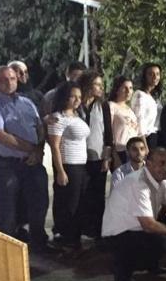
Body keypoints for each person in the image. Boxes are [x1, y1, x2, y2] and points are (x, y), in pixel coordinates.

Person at [0, 65, 52, 253]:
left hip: (33, 163)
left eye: (12, 78)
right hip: (8, 165)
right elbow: (0, 135)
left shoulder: (27, 102)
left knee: (39, 203)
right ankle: (7, 252)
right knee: (8, 210)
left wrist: (39, 150)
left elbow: (39, 127)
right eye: (3, 79)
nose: (9, 82)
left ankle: (39, 243)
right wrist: (32, 149)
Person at [102, 147, 166, 281]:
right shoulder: (139, 183)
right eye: (161, 163)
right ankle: (122, 272)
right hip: (118, 234)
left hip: (137, 228)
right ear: (149, 163)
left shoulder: (161, 180)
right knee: (163, 242)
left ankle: (152, 265)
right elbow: (148, 225)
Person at [47, 81, 90, 248]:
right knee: (68, 203)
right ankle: (65, 237)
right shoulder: (58, 118)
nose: (77, 100)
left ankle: (75, 237)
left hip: (81, 165)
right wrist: (60, 171)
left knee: (79, 203)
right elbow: (55, 146)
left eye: (79, 97)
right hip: (68, 165)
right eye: (73, 96)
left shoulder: (77, 115)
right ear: (65, 97)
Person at [76, 71, 113, 238]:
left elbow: (108, 133)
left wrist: (107, 157)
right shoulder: (76, 104)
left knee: (98, 195)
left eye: (101, 85)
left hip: (98, 156)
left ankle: (97, 230)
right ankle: (80, 229)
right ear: (87, 85)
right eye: (97, 84)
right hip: (78, 157)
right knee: (81, 194)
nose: (101, 88)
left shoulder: (103, 105)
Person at [108, 75, 140, 167]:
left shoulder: (130, 110)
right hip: (120, 151)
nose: (128, 91)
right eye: (125, 88)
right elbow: (108, 132)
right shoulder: (111, 106)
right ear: (117, 90)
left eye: (130, 88)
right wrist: (114, 154)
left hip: (133, 151)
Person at [131, 62, 163, 149]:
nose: (155, 77)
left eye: (157, 74)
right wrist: (144, 146)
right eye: (151, 74)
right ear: (144, 76)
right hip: (146, 139)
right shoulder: (140, 95)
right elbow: (139, 121)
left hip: (157, 137)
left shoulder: (154, 97)